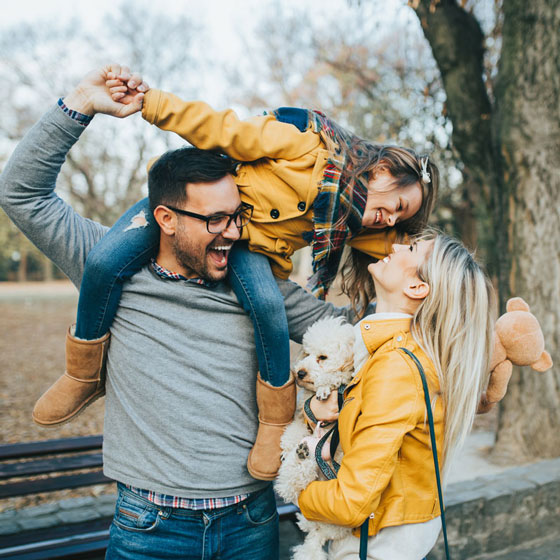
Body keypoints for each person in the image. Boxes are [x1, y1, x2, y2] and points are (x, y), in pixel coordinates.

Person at [0, 65, 361, 560]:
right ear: (165, 219)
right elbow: (21, 192)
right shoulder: (107, 264)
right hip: (150, 529)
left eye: (237, 215)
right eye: (215, 219)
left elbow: (353, 331)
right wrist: (80, 104)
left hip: (250, 524)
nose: (233, 232)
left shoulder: (261, 287)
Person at [32, 69, 440, 482]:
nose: (390, 220)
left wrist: (457, 290)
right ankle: (82, 373)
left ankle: (274, 422)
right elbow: (225, 130)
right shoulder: (304, 148)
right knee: (103, 262)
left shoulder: (355, 224)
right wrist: (153, 104)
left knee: (267, 307)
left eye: (400, 218)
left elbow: (416, 261)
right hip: (207, 210)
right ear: (383, 170)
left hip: (247, 250)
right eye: (397, 205)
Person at [297, 233, 496, 560]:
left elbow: (351, 503)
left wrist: (298, 491)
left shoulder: (395, 366)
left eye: (412, 249)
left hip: (372, 548)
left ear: (417, 287)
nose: (397, 246)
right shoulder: (398, 353)